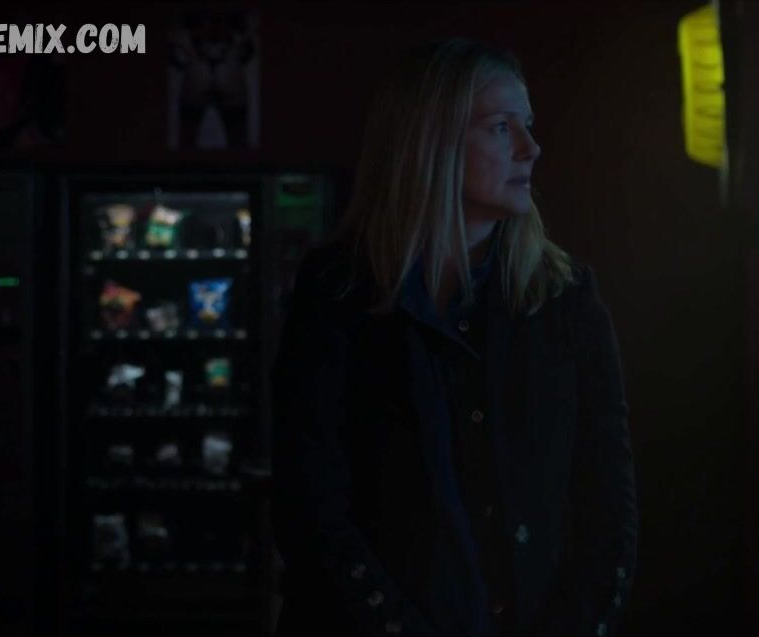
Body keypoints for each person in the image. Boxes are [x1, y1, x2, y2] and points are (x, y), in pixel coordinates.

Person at [269, 38, 639, 637]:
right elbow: (310, 510)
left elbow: (609, 507)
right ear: (431, 145)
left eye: (528, 125)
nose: (531, 148)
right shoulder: (338, 292)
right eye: (501, 127)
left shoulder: (564, 297)